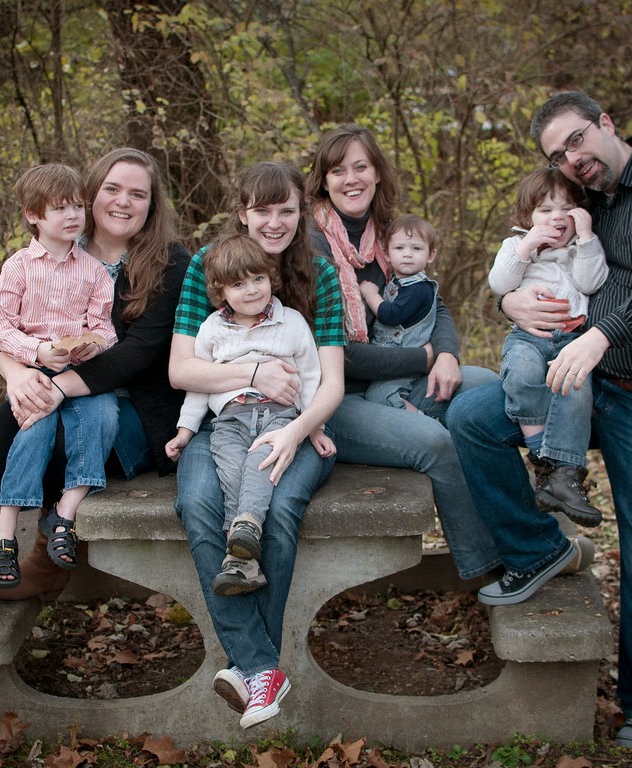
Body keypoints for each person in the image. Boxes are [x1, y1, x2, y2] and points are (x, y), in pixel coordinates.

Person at [447, 92, 632, 749]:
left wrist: (601, 336)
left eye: (576, 140)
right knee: (472, 418)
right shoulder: (588, 198)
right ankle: (538, 549)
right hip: (586, 383)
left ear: (606, 123)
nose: (572, 159)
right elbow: (542, 265)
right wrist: (513, 303)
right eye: (558, 155)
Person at [0, 147, 190, 635]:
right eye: (112, 189)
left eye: (137, 194)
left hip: (134, 412)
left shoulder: (171, 263)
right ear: (90, 195)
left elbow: (138, 352)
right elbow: (8, 327)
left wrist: (56, 389)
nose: (123, 201)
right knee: (11, 414)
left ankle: (45, 562)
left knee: (45, 424)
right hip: (56, 386)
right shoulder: (61, 242)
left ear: (152, 203)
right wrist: (14, 372)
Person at [169, 162, 345, 730]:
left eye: (286, 210)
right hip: (221, 422)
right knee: (198, 503)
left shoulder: (320, 273)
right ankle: (262, 667)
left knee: (279, 506)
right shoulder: (209, 263)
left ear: (302, 213)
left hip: (298, 421)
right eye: (261, 210)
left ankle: (249, 668)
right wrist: (253, 373)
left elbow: (328, 380)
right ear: (242, 213)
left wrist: (296, 431)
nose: (274, 222)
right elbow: (181, 369)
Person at [306, 123, 508, 586]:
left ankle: (526, 531)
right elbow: (336, 355)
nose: (351, 179)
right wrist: (424, 359)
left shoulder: (390, 234)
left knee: (490, 390)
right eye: (338, 170)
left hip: (393, 382)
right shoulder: (310, 244)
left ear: (377, 173)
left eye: (361, 166)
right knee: (435, 442)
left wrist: (447, 354)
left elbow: (434, 302)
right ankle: (490, 565)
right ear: (323, 180)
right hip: (336, 400)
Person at [164, 233, 335, 598]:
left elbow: (310, 377)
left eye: (258, 278)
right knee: (230, 472)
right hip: (230, 420)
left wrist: (314, 426)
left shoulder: (291, 322)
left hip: (279, 416)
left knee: (260, 465)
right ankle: (242, 556)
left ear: (271, 277)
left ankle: (244, 532)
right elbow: (199, 385)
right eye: (238, 284)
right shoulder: (212, 329)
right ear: (220, 292)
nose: (252, 290)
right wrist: (185, 430)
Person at [0, 163, 120, 586]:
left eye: (78, 206)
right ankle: (5, 532)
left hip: (81, 373)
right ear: (33, 215)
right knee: (35, 430)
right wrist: (37, 351)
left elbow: (105, 327)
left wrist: (94, 344)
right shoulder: (19, 267)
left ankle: (65, 513)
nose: (73, 215)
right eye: (60, 208)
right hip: (33, 370)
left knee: (104, 417)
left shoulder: (94, 270)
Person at [488, 167, 609, 527]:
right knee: (521, 374)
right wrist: (526, 246)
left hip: (573, 339)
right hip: (529, 337)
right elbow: (500, 283)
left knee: (575, 388)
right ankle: (542, 454)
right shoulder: (516, 246)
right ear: (527, 218)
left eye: (567, 209)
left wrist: (585, 238)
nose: (557, 217)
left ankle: (566, 475)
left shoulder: (580, 249)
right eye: (545, 210)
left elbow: (591, 283)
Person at [359, 214, 440, 412]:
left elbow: (390, 315)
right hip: (391, 357)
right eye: (399, 248)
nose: (407, 254)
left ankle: (420, 420)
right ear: (386, 253)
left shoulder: (419, 288)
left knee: (381, 398)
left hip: (405, 359)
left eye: (416, 248)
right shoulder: (399, 282)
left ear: (431, 255)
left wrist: (370, 294)